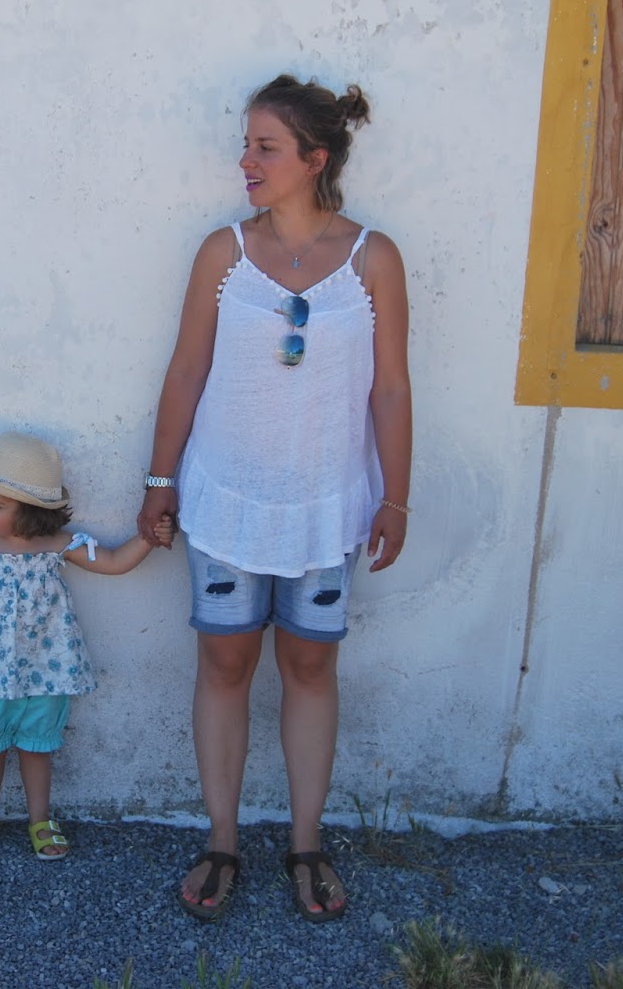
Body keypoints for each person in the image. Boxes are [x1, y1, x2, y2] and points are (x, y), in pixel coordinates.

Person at [135, 74, 412, 923]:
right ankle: (222, 840)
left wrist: (396, 498)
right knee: (224, 664)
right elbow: (187, 369)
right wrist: (159, 480)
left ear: (314, 159)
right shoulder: (223, 253)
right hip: (227, 502)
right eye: (246, 144)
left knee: (311, 666)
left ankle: (305, 843)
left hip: (327, 507)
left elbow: (391, 389)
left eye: (266, 147)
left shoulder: (373, 259)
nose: (246, 161)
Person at [0, 430, 175, 860]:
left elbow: (113, 562)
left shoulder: (58, 544)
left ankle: (40, 819)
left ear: (33, 511)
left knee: (37, 747)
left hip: (44, 667)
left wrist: (149, 537)